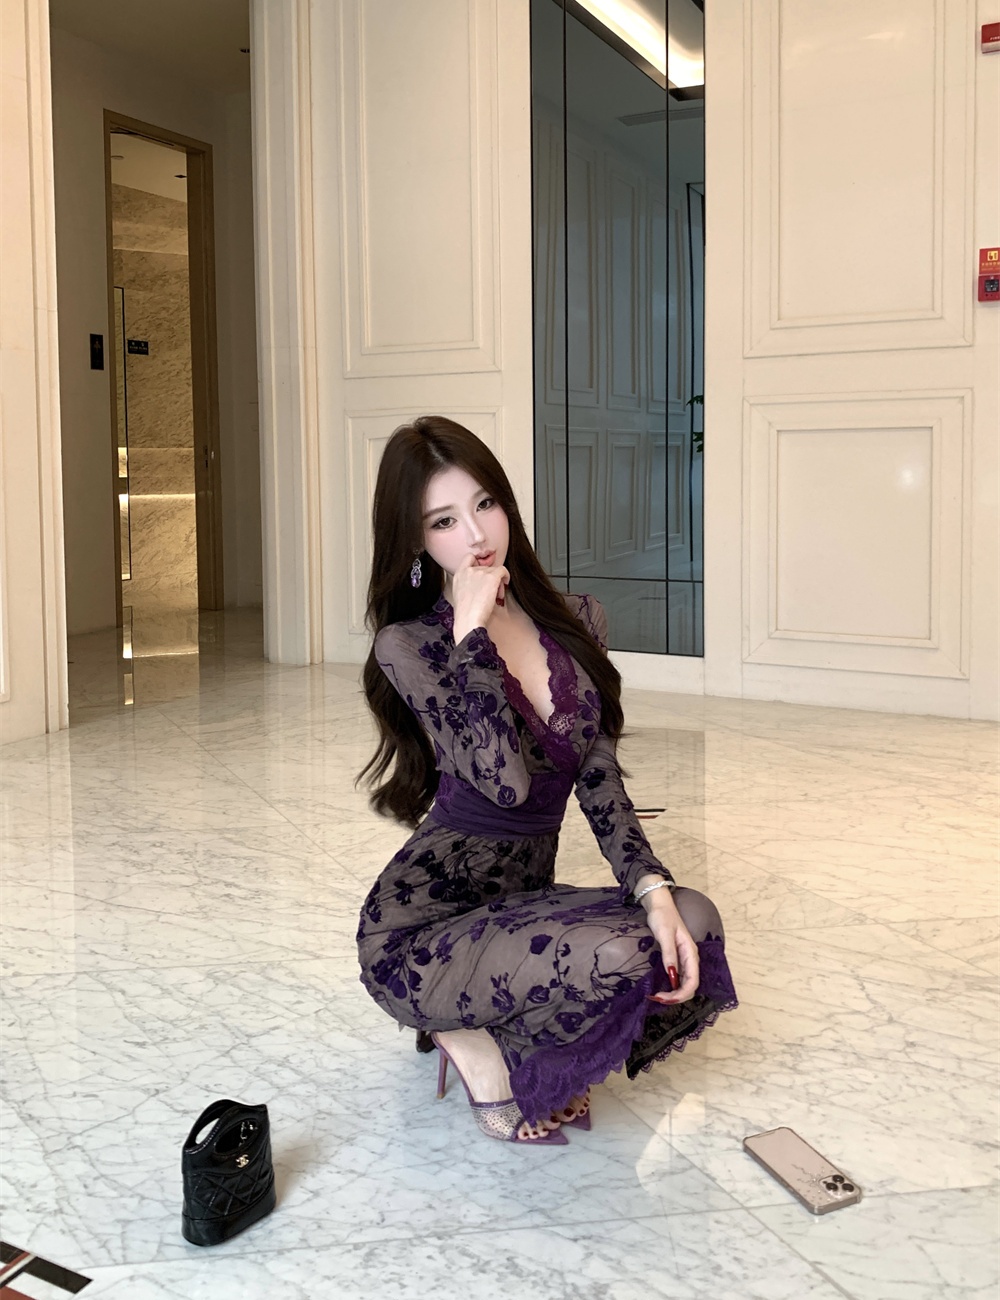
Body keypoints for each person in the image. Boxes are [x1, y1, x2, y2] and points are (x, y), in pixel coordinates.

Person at [357, 416, 738, 1144]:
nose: (476, 535)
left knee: (690, 921)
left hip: (519, 900)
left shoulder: (577, 619)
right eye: (444, 520)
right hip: (420, 928)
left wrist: (650, 887)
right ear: (416, 541)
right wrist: (471, 634)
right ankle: (467, 1037)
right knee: (623, 956)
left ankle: (492, 1024)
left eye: (485, 504)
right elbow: (501, 779)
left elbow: (599, 779)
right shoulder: (410, 644)